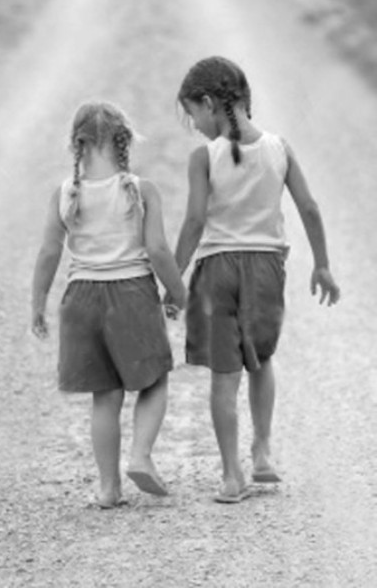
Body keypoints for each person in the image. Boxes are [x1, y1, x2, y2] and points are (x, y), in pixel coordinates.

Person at [166, 56, 340, 503]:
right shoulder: (279, 148)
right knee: (260, 361)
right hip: (265, 269)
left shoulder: (203, 157)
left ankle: (231, 476)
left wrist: (173, 279)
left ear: (209, 103)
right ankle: (262, 451)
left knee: (223, 378)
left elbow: (194, 222)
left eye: (193, 114)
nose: (195, 125)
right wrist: (322, 264)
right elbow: (310, 208)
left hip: (215, 272)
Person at [31, 101, 186, 508]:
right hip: (131, 294)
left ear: (76, 144)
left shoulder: (64, 194)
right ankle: (141, 456)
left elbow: (49, 253)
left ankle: (108, 488)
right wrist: (178, 291)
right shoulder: (141, 190)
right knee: (154, 381)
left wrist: (38, 303)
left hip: (81, 300)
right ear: (124, 141)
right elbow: (158, 250)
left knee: (105, 395)